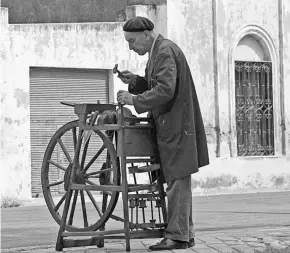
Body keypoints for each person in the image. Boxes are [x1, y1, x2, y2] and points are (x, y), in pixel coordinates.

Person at [116, 16, 209, 251]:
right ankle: (183, 235)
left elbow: (166, 90)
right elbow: (155, 84)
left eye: (132, 41)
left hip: (177, 126)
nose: (131, 46)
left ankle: (177, 236)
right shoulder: (158, 52)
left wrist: (134, 100)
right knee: (178, 182)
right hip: (173, 126)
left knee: (177, 182)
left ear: (146, 35)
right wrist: (136, 82)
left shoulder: (165, 51)